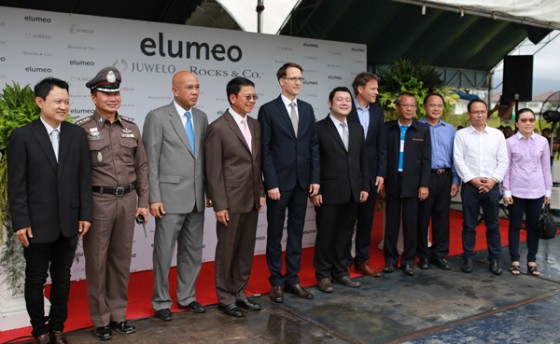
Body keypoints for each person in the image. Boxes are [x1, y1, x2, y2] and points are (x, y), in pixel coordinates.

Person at [8, 77, 92, 344]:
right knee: (35, 278)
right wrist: (20, 222)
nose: (63, 106)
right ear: (40, 102)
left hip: (69, 221)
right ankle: (40, 331)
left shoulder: (76, 135)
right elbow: (16, 184)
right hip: (36, 223)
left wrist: (85, 214)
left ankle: (57, 328)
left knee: (62, 277)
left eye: (67, 101)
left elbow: (83, 179)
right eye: (58, 101)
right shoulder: (22, 136)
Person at [76, 67, 149, 340]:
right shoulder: (82, 129)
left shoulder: (131, 127)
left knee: (120, 261)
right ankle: (101, 320)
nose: (112, 98)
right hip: (99, 202)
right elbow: (78, 174)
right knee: (97, 262)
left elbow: (142, 167)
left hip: (128, 200)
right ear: (93, 97)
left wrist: (143, 202)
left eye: (115, 93)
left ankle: (119, 315)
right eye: (106, 94)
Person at [143, 71, 208, 321]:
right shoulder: (157, 117)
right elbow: (151, 161)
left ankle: (187, 296)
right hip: (168, 198)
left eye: (197, 87)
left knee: (192, 252)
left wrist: (208, 192)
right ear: (175, 90)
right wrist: (154, 197)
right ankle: (161, 301)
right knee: (163, 253)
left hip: (196, 197)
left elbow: (204, 159)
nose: (194, 92)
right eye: (189, 87)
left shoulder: (202, 117)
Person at [258, 62, 320, 303]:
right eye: (293, 78)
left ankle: (293, 279)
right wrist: (269, 183)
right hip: (278, 184)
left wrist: (315, 178)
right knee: (274, 234)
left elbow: (313, 146)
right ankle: (276, 282)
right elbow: (265, 149)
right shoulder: (268, 110)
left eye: (300, 79)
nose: (297, 83)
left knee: (296, 233)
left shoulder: (307, 109)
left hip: (302, 182)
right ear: (281, 81)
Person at [205, 77, 265, 318]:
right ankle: (225, 297)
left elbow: (256, 163)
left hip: (251, 198)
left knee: (245, 250)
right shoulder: (217, 127)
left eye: (254, 97)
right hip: (229, 201)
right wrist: (219, 204)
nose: (252, 101)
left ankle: (240, 292)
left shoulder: (256, 125)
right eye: (247, 97)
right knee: (227, 251)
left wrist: (260, 192)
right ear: (232, 98)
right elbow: (213, 170)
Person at [312, 87, 369, 293]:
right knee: (326, 234)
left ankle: (340, 271)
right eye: (340, 100)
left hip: (353, 190)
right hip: (327, 191)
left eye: (348, 100)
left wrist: (364, 186)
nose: (344, 103)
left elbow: (362, 159)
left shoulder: (357, 128)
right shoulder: (318, 128)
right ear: (330, 103)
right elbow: (314, 161)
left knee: (345, 234)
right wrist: (315, 190)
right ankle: (323, 275)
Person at [454, 99, 508, 275]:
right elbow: (458, 160)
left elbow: (503, 160)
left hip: (491, 185)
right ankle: (468, 258)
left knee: (492, 224)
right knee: (469, 224)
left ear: (487, 113)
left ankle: (495, 259)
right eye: (475, 112)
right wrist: (472, 180)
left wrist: (493, 181)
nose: (479, 115)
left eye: (483, 111)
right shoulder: (461, 135)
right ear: (469, 114)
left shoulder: (497, 135)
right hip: (470, 186)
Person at [383, 93, 431, 276]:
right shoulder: (388, 129)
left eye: (412, 105)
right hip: (393, 180)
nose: (409, 109)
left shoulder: (422, 129)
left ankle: (409, 261)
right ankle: (390, 260)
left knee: (411, 223)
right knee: (391, 223)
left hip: (413, 182)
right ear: (397, 108)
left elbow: (427, 160)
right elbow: (383, 156)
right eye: (405, 105)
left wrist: (424, 184)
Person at [503, 108, 552, 276]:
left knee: (533, 227)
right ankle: (515, 261)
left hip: (537, 191)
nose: (528, 123)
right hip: (516, 191)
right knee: (515, 226)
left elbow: (546, 167)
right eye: (524, 120)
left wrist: (548, 190)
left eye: (531, 119)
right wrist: (506, 191)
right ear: (517, 123)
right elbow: (506, 168)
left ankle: (532, 261)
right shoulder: (509, 142)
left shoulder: (543, 142)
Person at [346, 72, 386, 276]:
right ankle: (343, 261)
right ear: (360, 89)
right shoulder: (345, 107)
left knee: (366, 221)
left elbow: (381, 145)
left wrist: (381, 173)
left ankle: (361, 260)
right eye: (373, 88)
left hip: (371, 176)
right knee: (346, 221)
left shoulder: (378, 113)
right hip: (347, 175)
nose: (377, 92)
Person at [417, 93, 460, 270]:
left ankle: (440, 254)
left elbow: (455, 156)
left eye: (439, 106)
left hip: (445, 176)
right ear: (425, 107)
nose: (436, 109)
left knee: (442, 218)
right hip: (425, 178)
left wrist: (455, 180)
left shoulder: (450, 130)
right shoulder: (417, 127)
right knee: (422, 218)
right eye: (432, 105)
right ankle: (423, 255)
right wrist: (421, 183)